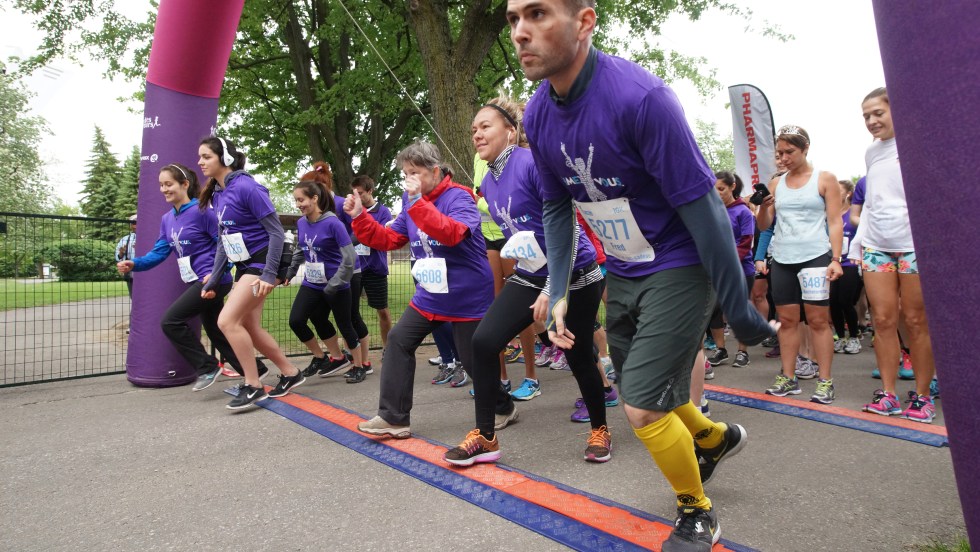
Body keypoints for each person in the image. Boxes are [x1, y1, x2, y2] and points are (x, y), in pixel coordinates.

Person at [506, 1, 775, 549]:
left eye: (537, 14)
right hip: (624, 268)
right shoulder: (536, 114)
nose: (520, 32)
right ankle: (712, 438)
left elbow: (705, 209)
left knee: (644, 406)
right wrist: (559, 287)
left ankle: (696, 509)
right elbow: (556, 206)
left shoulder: (642, 99)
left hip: (679, 263)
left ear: (585, 22)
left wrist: (739, 307)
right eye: (513, 19)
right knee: (640, 387)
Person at [443, 96, 609, 466]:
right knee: (483, 342)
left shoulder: (533, 163)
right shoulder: (489, 181)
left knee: (577, 353)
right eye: (473, 129)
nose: (476, 134)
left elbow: (569, 229)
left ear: (510, 131)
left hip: (575, 274)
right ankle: (485, 436)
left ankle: (600, 428)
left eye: (485, 126)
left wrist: (554, 288)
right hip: (531, 274)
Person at [348, 142, 509, 439]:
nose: (409, 179)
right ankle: (393, 418)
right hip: (430, 294)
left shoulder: (459, 197)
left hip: (467, 295)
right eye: (405, 174)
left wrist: (417, 202)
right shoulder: (410, 200)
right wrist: (360, 217)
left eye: (415, 172)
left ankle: (503, 406)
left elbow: (452, 233)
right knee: (398, 339)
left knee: (471, 358)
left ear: (435, 172)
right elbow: (390, 238)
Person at [116, 163, 262, 391]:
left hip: (214, 281)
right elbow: (159, 252)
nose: (164, 189)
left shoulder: (203, 211)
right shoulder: (167, 219)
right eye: (161, 185)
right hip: (197, 281)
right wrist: (135, 263)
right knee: (216, 330)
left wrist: (218, 273)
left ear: (185, 184)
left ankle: (207, 367)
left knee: (171, 321)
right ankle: (255, 371)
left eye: (169, 184)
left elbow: (226, 243)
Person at [198, 136, 304, 410]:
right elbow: (223, 242)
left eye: (206, 156)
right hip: (244, 265)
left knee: (227, 321)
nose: (200, 162)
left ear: (225, 158)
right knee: (248, 326)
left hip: (262, 263)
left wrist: (268, 275)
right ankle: (291, 372)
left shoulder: (248, 187)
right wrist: (213, 278)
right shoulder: (218, 194)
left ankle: (253, 385)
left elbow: (277, 233)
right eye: (200, 157)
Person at [852, 87, 936, 422]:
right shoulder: (872, 153)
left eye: (878, 113)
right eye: (866, 116)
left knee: (915, 321)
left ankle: (923, 396)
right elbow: (872, 203)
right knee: (883, 320)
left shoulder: (919, 144)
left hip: (914, 245)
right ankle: (888, 394)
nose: (871, 121)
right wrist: (859, 244)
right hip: (877, 246)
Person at [755, 125, 843, 404]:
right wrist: (764, 206)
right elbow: (764, 225)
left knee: (817, 321)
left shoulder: (824, 179)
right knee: (788, 321)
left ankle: (825, 381)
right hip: (783, 259)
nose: (783, 158)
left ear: (805, 149)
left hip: (815, 256)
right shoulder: (775, 184)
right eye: (779, 153)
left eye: (789, 152)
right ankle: (788, 377)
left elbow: (835, 221)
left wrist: (836, 259)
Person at [284, 164, 365, 384]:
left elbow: (349, 258)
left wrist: (336, 282)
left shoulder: (333, 223)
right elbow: (301, 249)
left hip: (336, 285)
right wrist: (290, 271)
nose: (298, 205)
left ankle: (358, 366)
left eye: (301, 200)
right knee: (297, 320)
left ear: (315, 199)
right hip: (312, 282)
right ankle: (322, 357)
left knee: (345, 325)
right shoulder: (301, 223)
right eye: (296, 201)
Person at [706, 171, 757, 368]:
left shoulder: (744, 212)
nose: (717, 193)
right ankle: (721, 349)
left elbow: (746, 242)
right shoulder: (712, 211)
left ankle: (743, 351)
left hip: (741, 269)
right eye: (714, 189)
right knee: (714, 310)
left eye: (721, 189)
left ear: (732, 187)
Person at [350, 175, 393, 355]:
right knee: (350, 312)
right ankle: (353, 349)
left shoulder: (383, 212)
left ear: (370, 191)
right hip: (354, 269)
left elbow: (382, 237)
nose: (357, 197)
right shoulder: (351, 210)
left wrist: (360, 235)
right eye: (355, 193)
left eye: (360, 193)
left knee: (382, 311)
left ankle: (388, 349)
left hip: (375, 268)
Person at [830, 180, 863, 355]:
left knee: (846, 301)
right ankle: (840, 336)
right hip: (834, 262)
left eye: (839, 190)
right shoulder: (832, 213)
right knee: (833, 302)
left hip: (851, 262)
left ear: (848, 193)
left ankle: (854, 337)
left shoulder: (853, 214)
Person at [115, 215, 137, 298]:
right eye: (133, 223)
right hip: (130, 272)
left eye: (137, 223)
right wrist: (121, 253)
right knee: (133, 296)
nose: (135, 225)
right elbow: (117, 257)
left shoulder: (147, 238)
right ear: (130, 225)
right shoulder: (124, 239)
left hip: (144, 271)